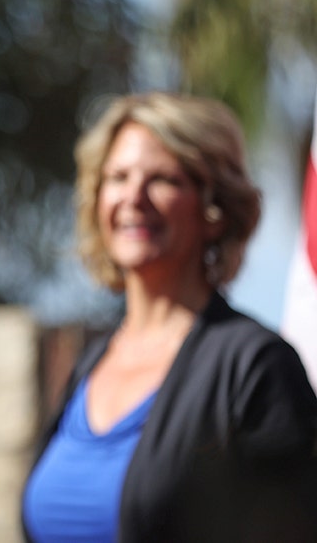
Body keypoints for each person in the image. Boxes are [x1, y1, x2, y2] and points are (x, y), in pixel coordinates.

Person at [21, 92, 317, 543]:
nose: (133, 197)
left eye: (162, 179)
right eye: (117, 177)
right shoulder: (90, 363)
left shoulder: (255, 366)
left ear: (214, 209)